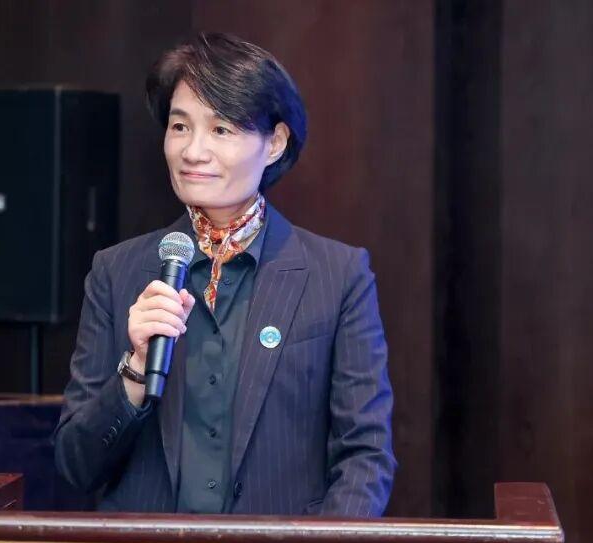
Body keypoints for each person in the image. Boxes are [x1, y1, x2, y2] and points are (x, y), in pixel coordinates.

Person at [53, 32, 395, 516]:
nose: (193, 151)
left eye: (221, 129)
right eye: (180, 126)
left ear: (275, 143)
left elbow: (366, 457)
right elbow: (76, 465)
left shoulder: (338, 276)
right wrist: (136, 368)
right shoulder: (116, 272)